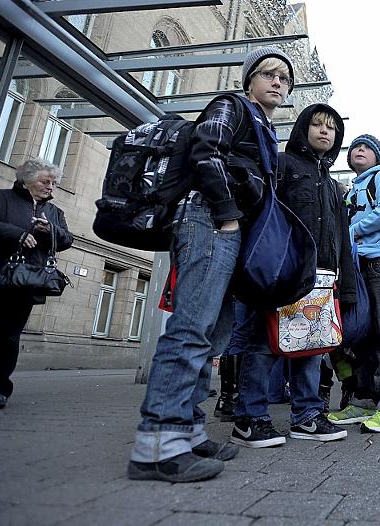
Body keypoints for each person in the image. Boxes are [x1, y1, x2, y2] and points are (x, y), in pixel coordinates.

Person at [128, 46, 294, 483]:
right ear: (249, 79)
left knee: (213, 333)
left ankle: (188, 429)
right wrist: (226, 214)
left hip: (227, 228)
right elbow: (206, 153)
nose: (278, 81)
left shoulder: (262, 126)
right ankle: (158, 445)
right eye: (268, 73)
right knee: (191, 328)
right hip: (208, 219)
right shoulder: (231, 106)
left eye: (285, 77)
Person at [228, 102, 355, 447]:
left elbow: (341, 236)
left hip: (321, 278)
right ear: (303, 128)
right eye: (317, 124)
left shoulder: (331, 184)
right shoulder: (283, 166)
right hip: (281, 273)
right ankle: (249, 417)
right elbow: (264, 214)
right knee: (264, 343)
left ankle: (307, 417)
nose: (325, 131)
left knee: (312, 345)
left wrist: (343, 283)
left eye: (331, 127)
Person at [0, 159, 73, 411]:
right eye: (45, 181)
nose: (51, 187)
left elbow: (67, 239)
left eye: (54, 183)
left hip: (23, 285)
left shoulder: (54, 213)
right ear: (25, 180)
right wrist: (15, 233)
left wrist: (51, 230)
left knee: (8, 340)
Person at [328, 134, 380, 433]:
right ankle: (362, 400)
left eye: (367, 148)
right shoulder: (354, 189)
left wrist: (354, 230)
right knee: (362, 332)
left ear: (378, 157)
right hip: (359, 265)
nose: (359, 150)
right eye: (355, 147)